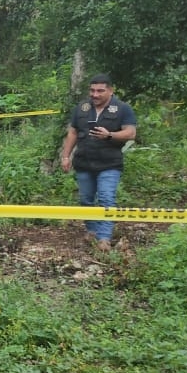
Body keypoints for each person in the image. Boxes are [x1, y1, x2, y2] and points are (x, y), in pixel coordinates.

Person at [59, 74, 137, 252]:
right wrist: (65, 156)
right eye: (92, 90)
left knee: (106, 198)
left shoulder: (122, 109)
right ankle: (92, 231)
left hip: (109, 163)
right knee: (86, 199)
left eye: (100, 91)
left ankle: (104, 237)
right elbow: (72, 133)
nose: (95, 94)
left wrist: (110, 135)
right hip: (84, 163)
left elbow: (131, 133)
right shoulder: (82, 108)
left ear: (110, 91)